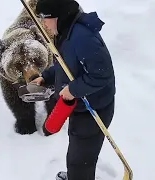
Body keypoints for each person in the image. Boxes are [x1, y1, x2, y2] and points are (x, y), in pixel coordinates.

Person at [31, 0, 116, 179]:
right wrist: (46, 77)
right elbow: (68, 66)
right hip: (83, 108)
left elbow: (102, 75)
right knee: (78, 156)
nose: (43, 23)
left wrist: (73, 89)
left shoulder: (82, 38)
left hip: (94, 111)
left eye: (45, 18)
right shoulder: (67, 33)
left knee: (80, 160)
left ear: (58, 16)